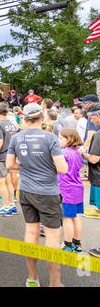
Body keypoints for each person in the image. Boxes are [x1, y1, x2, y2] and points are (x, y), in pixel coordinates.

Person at [6, 103, 68, 287]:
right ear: (42, 118)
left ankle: (32, 278)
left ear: (24, 119)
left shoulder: (16, 138)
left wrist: (27, 166)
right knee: (52, 239)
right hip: (48, 193)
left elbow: (10, 165)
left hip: (26, 191)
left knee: (31, 233)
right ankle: (55, 283)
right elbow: (62, 168)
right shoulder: (50, 138)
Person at [78, 103, 100, 257]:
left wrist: (82, 153)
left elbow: (93, 159)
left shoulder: (98, 135)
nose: (92, 121)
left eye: (92, 118)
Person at [57, 129, 84, 253]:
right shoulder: (78, 153)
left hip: (67, 189)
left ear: (69, 139)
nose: (59, 140)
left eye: (61, 138)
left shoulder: (64, 153)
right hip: (78, 187)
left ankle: (67, 244)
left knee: (67, 217)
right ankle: (77, 243)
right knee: (76, 216)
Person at [0, 102, 18, 217]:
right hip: (10, 156)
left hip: (1, 157)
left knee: (2, 183)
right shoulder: (11, 123)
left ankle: (6, 206)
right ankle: (11, 205)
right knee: (9, 182)